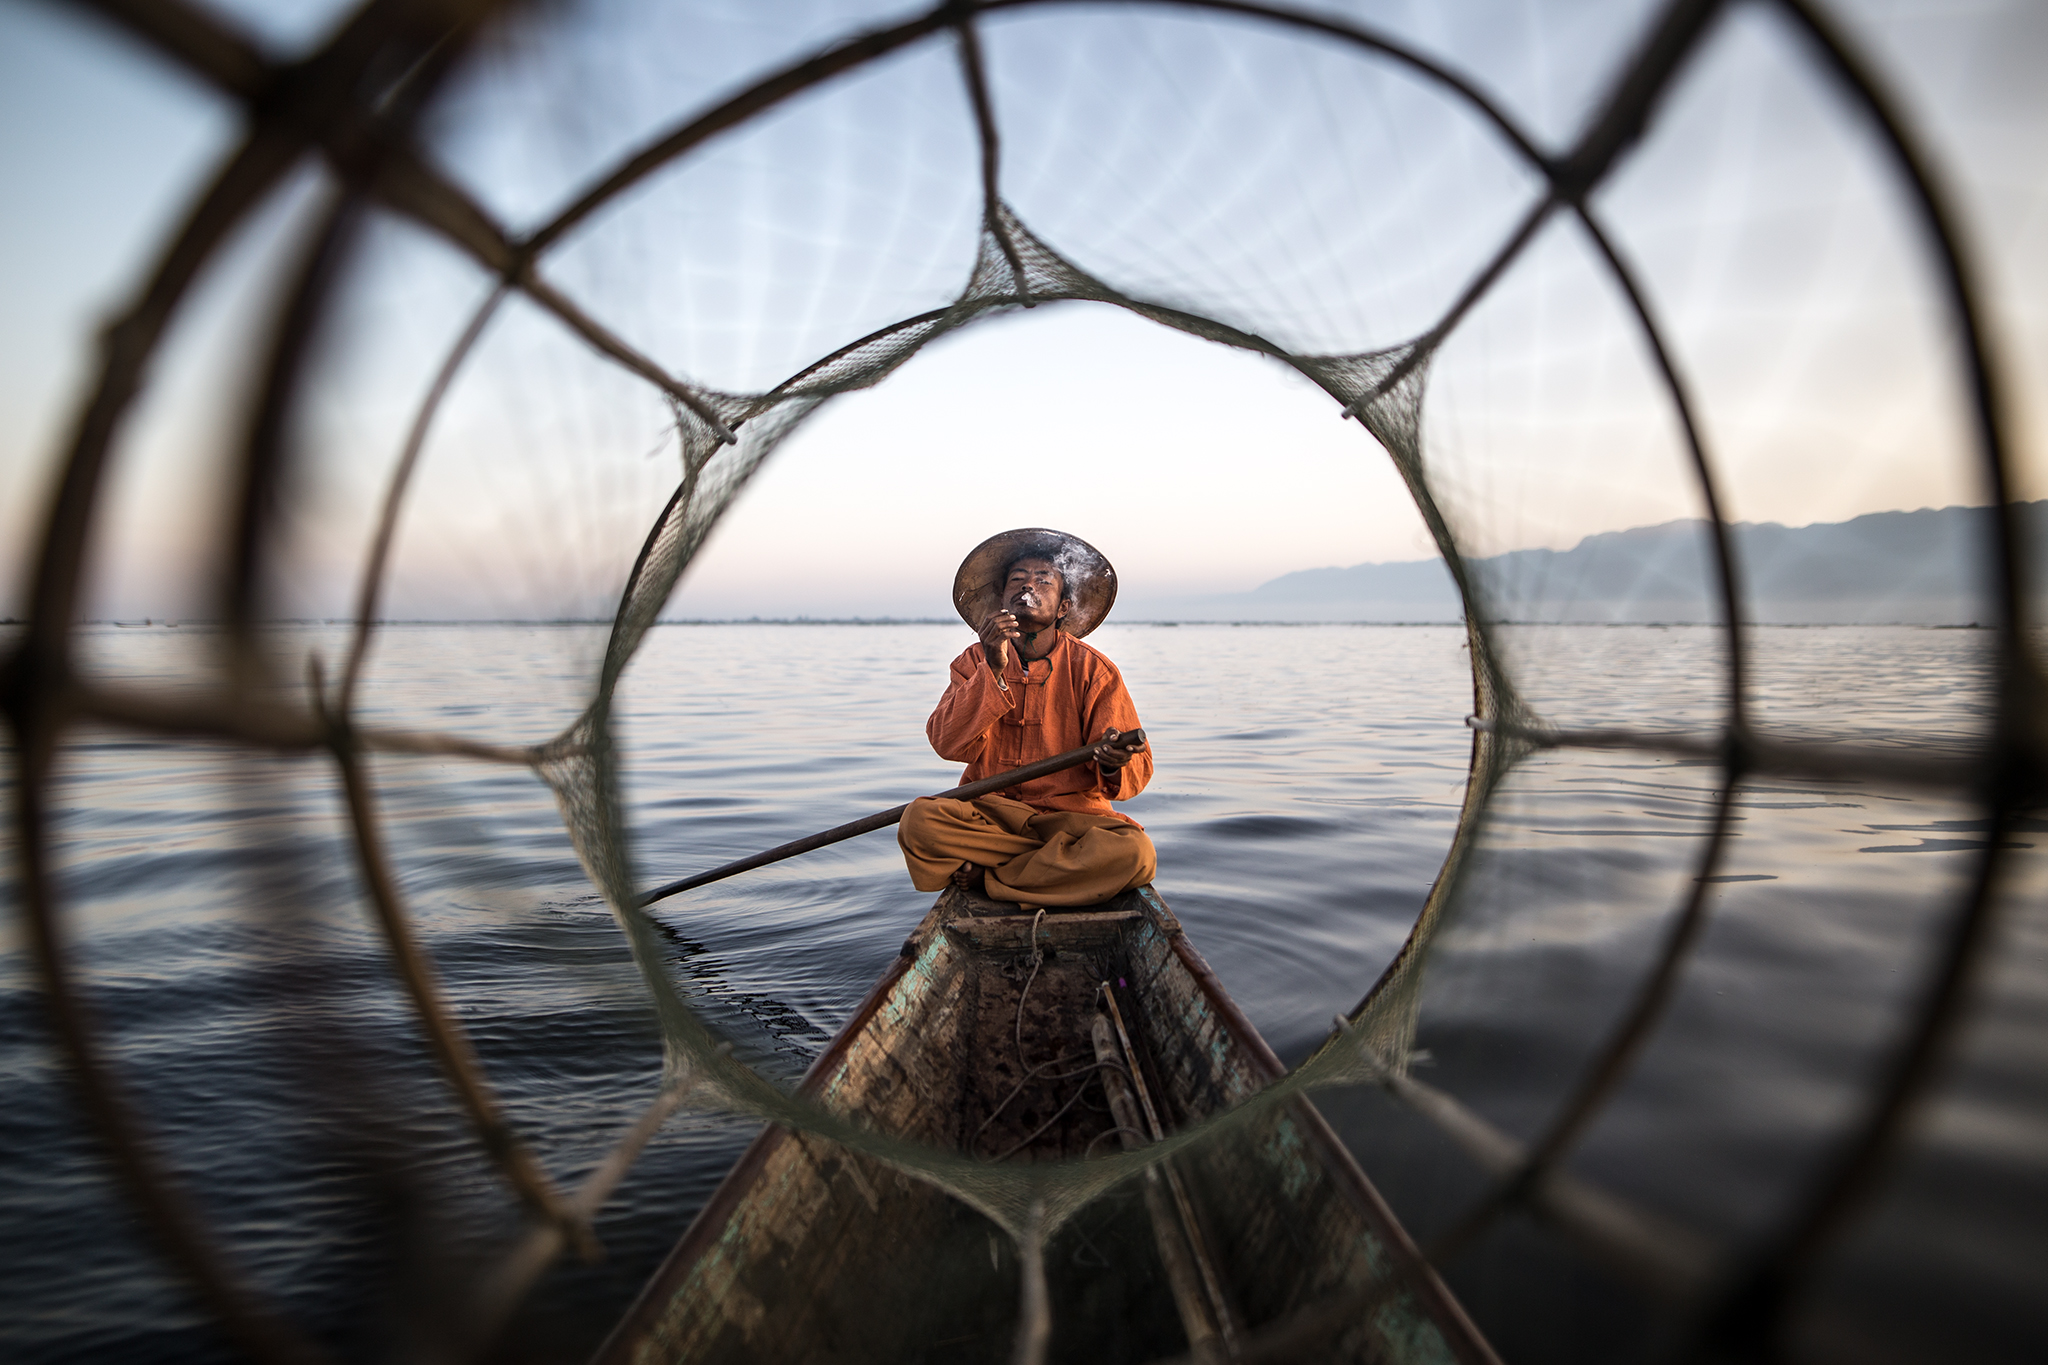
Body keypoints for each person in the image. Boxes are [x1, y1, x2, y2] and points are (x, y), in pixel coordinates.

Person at [898, 528, 1156, 907]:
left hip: (1070, 823)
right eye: (1017, 581)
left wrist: (1116, 762)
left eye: (1042, 581)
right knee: (919, 822)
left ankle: (992, 875)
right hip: (990, 817)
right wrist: (994, 669)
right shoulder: (973, 661)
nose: (1027, 588)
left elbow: (1134, 776)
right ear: (1000, 602)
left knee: (1135, 853)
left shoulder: (1094, 670)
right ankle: (1043, 872)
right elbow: (946, 743)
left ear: (1063, 607)